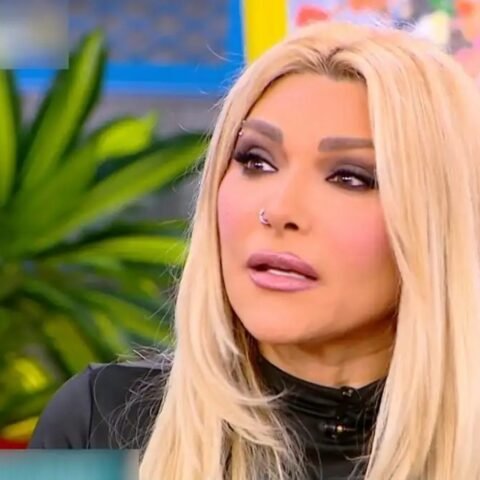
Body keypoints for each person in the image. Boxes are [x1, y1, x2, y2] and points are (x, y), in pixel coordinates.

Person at [29, 20, 480, 480]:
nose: (278, 210)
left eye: (349, 177)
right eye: (256, 160)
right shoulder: (98, 424)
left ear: (437, 222)